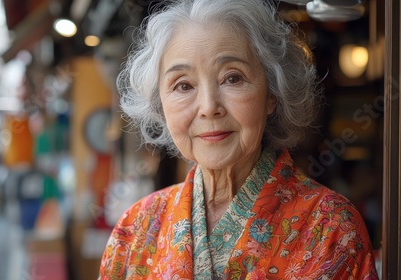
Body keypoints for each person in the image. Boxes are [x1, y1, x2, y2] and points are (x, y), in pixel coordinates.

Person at [99, 0, 379, 279]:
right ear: (160, 102)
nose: (209, 106)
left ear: (271, 92)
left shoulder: (332, 227)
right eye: (183, 85)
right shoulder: (136, 229)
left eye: (232, 78)